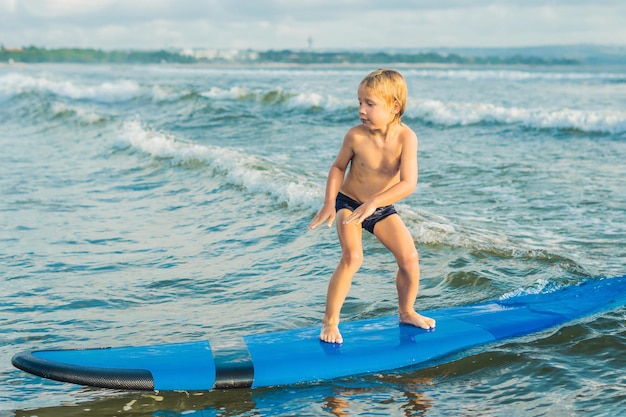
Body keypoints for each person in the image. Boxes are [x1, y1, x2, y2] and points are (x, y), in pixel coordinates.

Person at [308, 69, 436, 344]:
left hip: (379, 206)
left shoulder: (406, 138)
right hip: (350, 203)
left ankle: (406, 311)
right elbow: (338, 167)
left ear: (394, 107)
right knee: (352, 257)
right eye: (359, 102)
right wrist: (330, 202)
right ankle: (330, 321)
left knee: (410, 259)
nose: (362, 110)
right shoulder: (356, 136)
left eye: (370, 104)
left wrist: (376, 202)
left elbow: (408, 183)